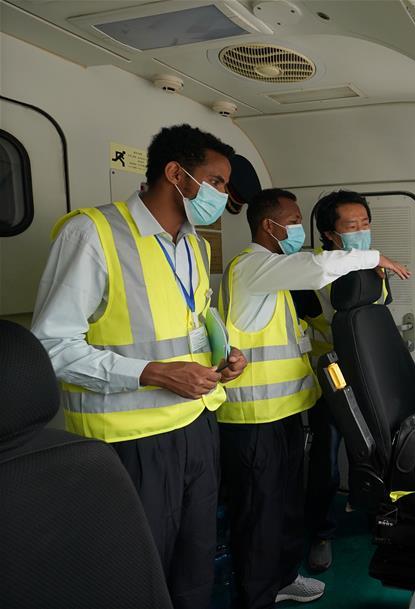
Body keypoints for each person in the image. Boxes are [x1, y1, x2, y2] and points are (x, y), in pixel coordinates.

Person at [31, 124, 248, 609]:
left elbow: (196, 318)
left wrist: (225, 354)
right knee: (136, 566)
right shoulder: (93, 232)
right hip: (130, 441)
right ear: (176, 174)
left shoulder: (195, 244)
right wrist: (152, 372)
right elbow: (50, 345)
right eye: (216, 181)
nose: (223, 195)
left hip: (197, 424)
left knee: (195, 561)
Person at [217, 188, 409, 608]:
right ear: (269, 225)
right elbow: (319, 267)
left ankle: (284, 578)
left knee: (283, 504)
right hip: (253, 417)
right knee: (260, 511)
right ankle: (257, 595)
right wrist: (373, 257)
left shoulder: (276, 270)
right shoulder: (253, 266)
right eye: (291, 220)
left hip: (284, 410)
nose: (296, 229)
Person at [299, 190, 393, 573]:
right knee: (326, 458)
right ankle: (321, 532)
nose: (361, 231)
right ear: (330, 234)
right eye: (351, 225)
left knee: (374, 451)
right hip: (330, 376)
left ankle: (373, 512)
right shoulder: (310, 272)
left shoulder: (372, 265)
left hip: (367, 372)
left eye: (365, 223)